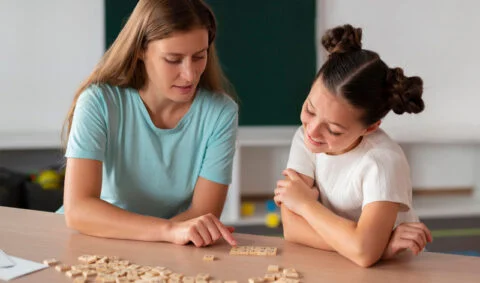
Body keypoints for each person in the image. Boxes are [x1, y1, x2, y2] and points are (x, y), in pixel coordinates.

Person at [59, 0, 238, 248]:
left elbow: (203, 213)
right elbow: (78, 209)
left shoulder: (221, 113)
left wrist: (169, 235)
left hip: (164, 248)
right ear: (141, 50)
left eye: (199, 56)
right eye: (173, 59)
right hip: (90, 242)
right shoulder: (98, 102)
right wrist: (169, 231)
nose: (190, 74)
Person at [274, 24, 432, 267]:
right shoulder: (306, 137)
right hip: (342, 264)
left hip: (394, 270)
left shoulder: (382, 161)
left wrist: (305, 204)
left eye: (334, 129)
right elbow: (292, 230)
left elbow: (364, 252)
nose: (312, 130)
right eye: (309, 109)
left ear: (370, 127)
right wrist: (376, 247)